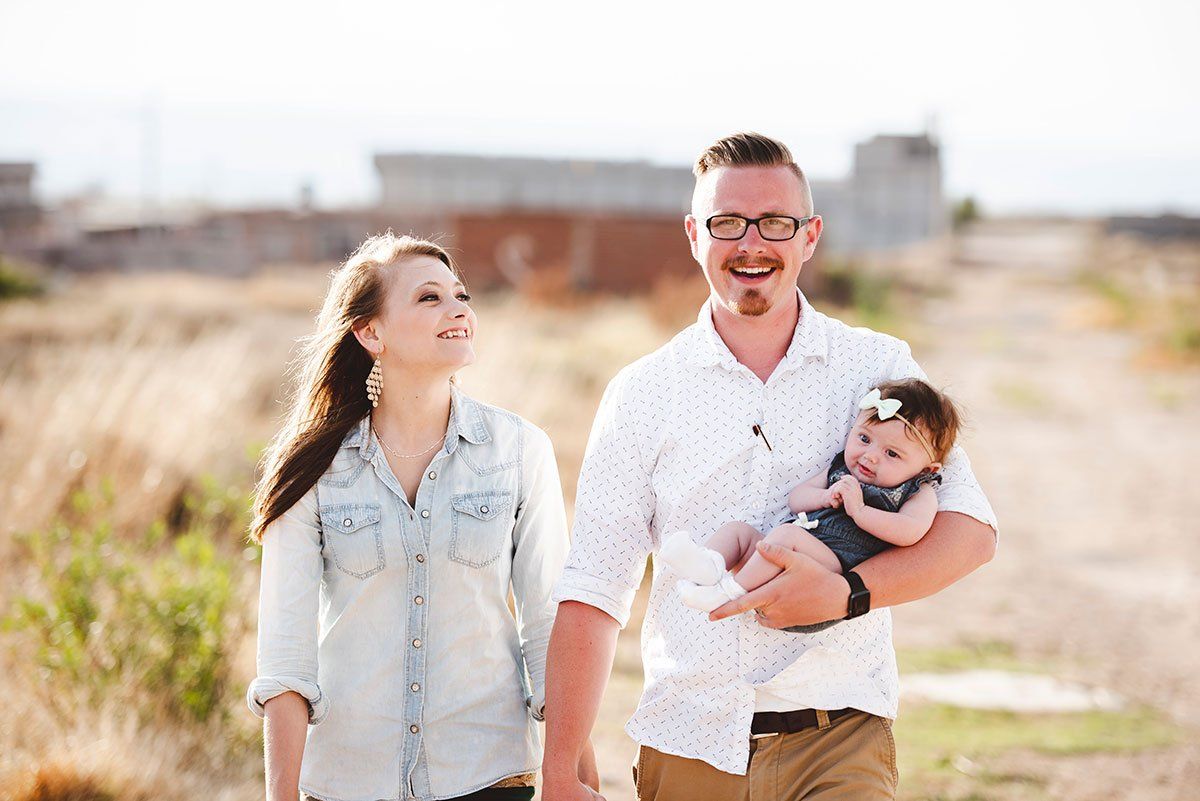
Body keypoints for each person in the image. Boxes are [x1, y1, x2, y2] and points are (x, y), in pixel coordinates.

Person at [541, 133, 998, 801]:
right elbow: (594, 588)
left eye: (775, 223)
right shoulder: (642, 392)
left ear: (809, 236)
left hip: (839, 736)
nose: (751, 242)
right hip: (688, 741)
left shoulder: (875, 367)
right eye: (727, 222)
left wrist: (850, 593)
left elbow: (971, 531)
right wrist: (557, 772)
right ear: (696, 235)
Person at [245, 233, 593, 801]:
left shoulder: (519, 450)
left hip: (487, 773)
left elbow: (549, 627)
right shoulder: (313, 467)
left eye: (461, 295)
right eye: (429, 298)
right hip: (347, 782)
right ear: (371, 332)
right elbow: (286, 660)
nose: (458, 309)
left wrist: (572, 769)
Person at [661, 379, 958, 625]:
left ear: (926, 469)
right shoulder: (841, 469)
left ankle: (727, 592)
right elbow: (796, 499)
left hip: (834, 568)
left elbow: (910, 531)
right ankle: (708, 565)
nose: (870, 456)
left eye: (892, 454)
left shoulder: (918, 491)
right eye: (865, 439)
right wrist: (824, 496)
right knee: (740, 531)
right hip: (790, 548)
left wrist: (859, 510)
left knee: (785, 537)